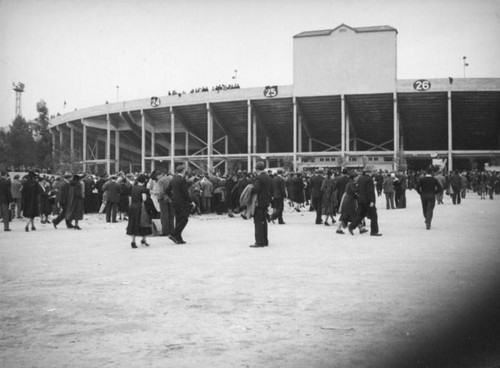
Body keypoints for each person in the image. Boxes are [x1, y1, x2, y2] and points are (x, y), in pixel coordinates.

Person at [166, 165, 196, 244]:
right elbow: (185, 192)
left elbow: (167, 190)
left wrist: (172, 198)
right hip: (182, 202)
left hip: (175, 202)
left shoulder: (173, 179)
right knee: (184, 219)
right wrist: (191, 201)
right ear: (183, 171)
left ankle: (178, 238)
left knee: (178, 219)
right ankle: (173, 233)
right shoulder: (182, 180)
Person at [348, 170, 382, 236]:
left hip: (361, 200)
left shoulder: (360, 179)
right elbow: (370, 191)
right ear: (369, 172)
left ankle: (351, 226)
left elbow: (357, 189)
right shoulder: (369, 180)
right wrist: (371, 201)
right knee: (374, 216)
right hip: (367, 201)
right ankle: (374, 232)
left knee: (360, 215)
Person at [249, 161, 273, 247]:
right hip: (266, 202)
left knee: (258, 222)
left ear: (256, 169)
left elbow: (255, 189)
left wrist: (250, 189)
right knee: (264, 221)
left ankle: (259, 241)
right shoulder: (268, 177)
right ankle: (265, 240)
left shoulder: (258, 178)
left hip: (258, 203)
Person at [126, 174, 152, 248]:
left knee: (133, 223)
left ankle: (133, 241)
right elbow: (144, 199)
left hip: (133, 207)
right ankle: (144, 239)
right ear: (144, 181)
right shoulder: (143, 189)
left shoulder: (133, 188)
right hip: (140, 207)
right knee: (144, 223)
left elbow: (130, 198)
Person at [157, 170, 175, 236]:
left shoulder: (160, 180)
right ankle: (172, 229)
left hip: (164, 199)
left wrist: (159, 197)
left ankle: (165, 231)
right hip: (171, 198)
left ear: (158, 175)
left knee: (164, 215)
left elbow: (161, 191)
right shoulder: (171, 178)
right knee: (171, 215)